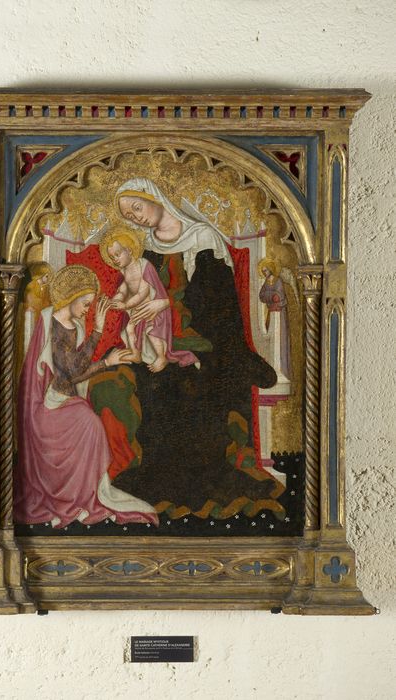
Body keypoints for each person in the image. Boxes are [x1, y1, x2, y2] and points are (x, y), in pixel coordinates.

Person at [107, 177, 281, 518]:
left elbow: (217, 303)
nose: (136, 217)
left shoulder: (203, 238)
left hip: (204, 340)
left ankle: (201, 479)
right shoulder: (145, 248)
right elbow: (136, 293)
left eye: (137, 207)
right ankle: (159, 475)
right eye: (129, 215)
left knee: (191, 386)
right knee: (141, 384)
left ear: (155, 197)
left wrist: (166, 308)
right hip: (157, 339)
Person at [13, 264, 158, 528]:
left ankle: (83, 495)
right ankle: (75, 498)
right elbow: (70, 374)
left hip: (66, 401)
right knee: (90, 423)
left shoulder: (76, 327)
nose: (87, 310)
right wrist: (105, 356)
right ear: (72, 296)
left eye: (90, 305)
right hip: (48, 407)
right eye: (85, 304)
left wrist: (99, 340)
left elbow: (77, 369)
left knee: (91, 422)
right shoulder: (51, 323)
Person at [100, 227, 199, 373]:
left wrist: (125, 304)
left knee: (151, 331)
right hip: (137, 310)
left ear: (129, 250)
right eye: (112, 257)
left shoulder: (143, 265)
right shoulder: (124, 271)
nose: (115, 259)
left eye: (117, 254)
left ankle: (161, 357)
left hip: (152, 310)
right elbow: (123, 290)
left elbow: (143, 292)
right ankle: (135, 353)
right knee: (129, 329)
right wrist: (115, 300)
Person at [258, 257, 291, 380]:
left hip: (279, 312)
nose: (265, 273)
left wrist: (273, 296)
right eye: (263, 271)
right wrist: (271, 296)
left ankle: (282, 368)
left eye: (266, 270)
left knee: (280, 336)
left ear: (271, 269)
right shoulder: (266, 282)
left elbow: (280, 295)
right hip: (271, 311)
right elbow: (261, 295)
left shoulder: (278, 280)